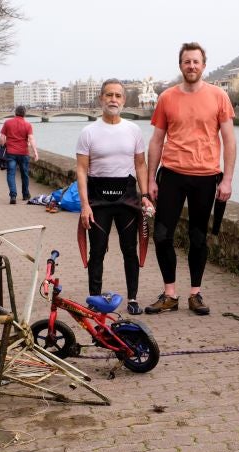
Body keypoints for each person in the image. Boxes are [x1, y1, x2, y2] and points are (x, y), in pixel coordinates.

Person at [145, 42, 236, 316]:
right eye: (187, 62)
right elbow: (156, 141)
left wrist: (227, 179)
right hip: (172, 174)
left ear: (203, 65)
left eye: (196, 62)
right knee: (161, 235)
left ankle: (195, 294)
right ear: (181, 65)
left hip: (206, 177)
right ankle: (170, 293)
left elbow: (230, 141)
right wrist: (151, 179)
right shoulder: (167, 98)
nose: (192, 66)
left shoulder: (219, 96)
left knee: (198, 238)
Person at [77, 79, 154, 315]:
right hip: (98, 198)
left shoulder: (133, 130)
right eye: (109, 95)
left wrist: (145, 195)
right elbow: (81, 169)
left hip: (127, 198)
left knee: (129, 250)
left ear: (124, 100)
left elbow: (140, 164)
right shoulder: (88, 131)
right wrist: (84, 205)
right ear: (101, 99)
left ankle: (132, 298)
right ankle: (95, 299)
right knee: (97, 251)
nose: (113, 99)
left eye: (118, 96)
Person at [0, 105, 38, 204]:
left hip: (11, 152)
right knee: (24, 174)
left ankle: (13, 195)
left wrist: (3, 146)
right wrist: (35, 152)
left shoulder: (7, 123)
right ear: (24, 113)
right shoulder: (27, 125)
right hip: (23, 153)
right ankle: (25, 194)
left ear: (15, 112)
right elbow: (31, 139)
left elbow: (2, 139)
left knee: (11, 174)